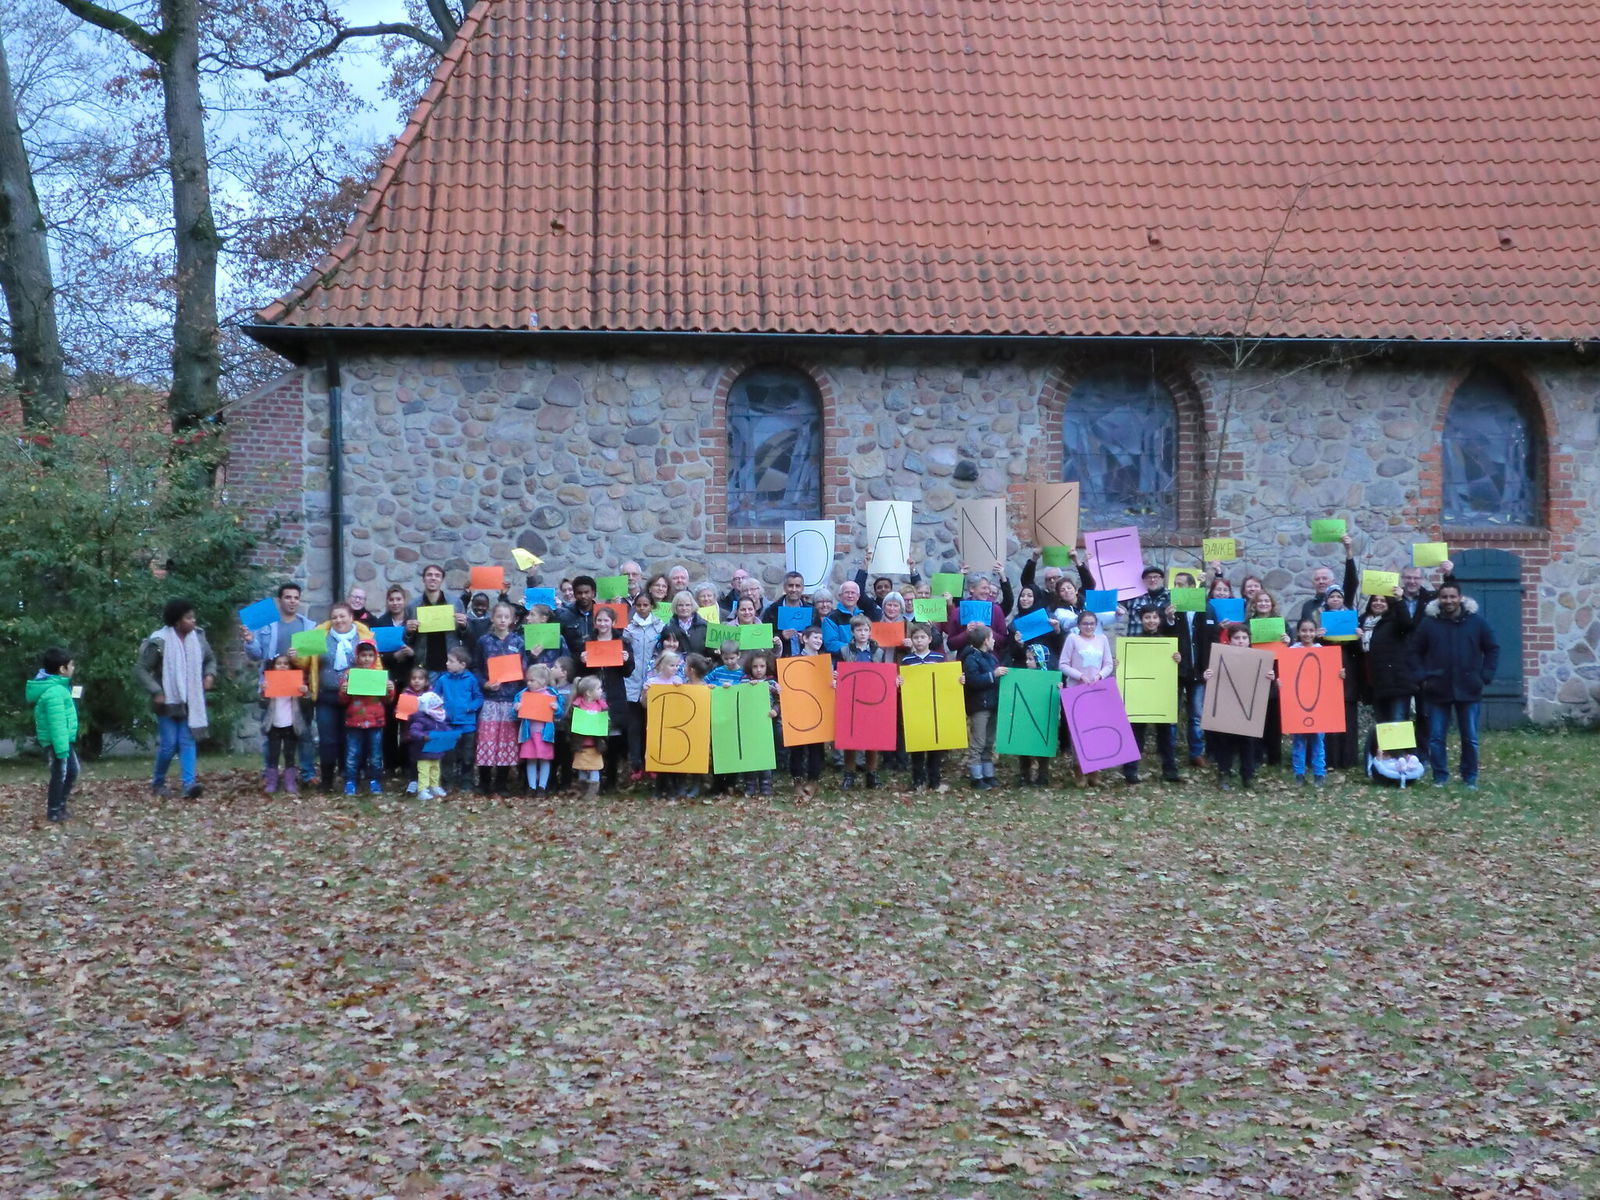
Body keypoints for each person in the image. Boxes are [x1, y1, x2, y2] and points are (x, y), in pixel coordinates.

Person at [1409, 583, 1500, 789]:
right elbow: (1414, 652)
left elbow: (1492, 648)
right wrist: (1422, 677)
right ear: (1439, 599)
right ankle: (1440, 777)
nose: (1448, 601)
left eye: (1452, 597)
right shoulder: (1429, 624)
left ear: (1460, 598)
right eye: (1444, 597)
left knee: (1470, 738)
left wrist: (1485, 676)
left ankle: (1470, 778)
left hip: (1469, 688)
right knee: (1436, 738)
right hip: (1436, 689)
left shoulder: (1476, 623)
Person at [135, 598, 217, 800]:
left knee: (187, 741)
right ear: (177, 622)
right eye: (189, 618)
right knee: (170, 744)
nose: (194, 621)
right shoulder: (159, 641)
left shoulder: (198, 638)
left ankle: (189, 785)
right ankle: (158, 782)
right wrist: (156, 691)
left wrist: (209, 675)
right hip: (167, 703)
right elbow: (141, 669)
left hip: (192, 701)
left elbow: (210, 660)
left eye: (193, 617)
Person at [241, 582, 317, 785]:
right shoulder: (267, 625)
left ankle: (307, 774)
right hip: (272, 688)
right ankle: (270, 773)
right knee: (270, 734)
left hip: (300, 688)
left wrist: (303, 654)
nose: (292, 601)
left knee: (304, 733)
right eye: (288, 597)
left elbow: (315, 658)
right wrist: (249, 640)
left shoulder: (309, 626)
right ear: (279, 600)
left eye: (296, 598)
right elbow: (256, 655)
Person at [303, 602, 374, 791]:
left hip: (354, 697)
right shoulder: (320, 636)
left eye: (342, 616)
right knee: (327, 739)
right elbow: (303, 661)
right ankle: (326, 780)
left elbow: (375, 664)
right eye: (334, 617)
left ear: (351, 617)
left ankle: (351, 777)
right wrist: (296, 654)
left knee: (352, 738)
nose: (338, 620)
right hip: (326, 696)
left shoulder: (363, 636)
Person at [1204, 624, 1273, 791]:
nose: (1241, 641)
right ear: (1229, 640)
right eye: (1237, 638)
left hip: (1248, 709)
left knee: (1248, 743)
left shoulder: (1258, 659)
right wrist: (1207, 676)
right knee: (1224, 743)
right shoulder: (1220, 656)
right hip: (1226, 707)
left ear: (1249, 640)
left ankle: (1247, 776)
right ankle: (1224, 773)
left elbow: (1263, 683)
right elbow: (1213, 676)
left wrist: (1269, 677)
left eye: (1244, 638)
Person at [1123, 606, 1184, 784]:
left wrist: (1177, 660)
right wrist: (1120, 662)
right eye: (1147, 617)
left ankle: (1170, 771)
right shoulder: (1133, 642)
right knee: (1136, 734)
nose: (1151, 621)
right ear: (1141, 620)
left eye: (1154, 617)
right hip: (1140, 693)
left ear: (1160, 620)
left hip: (1161, 693)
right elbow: (1128, 668)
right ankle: (1130, 771)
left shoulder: (1167, 642)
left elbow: (1174, 670)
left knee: (1165, 734)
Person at [474, 601, 527, 796]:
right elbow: (477, 668)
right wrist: (485, 683)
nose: (502, 620)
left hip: (510, 699)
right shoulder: (484, 641)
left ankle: (502, 783)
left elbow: (524, 669)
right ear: (492, 618)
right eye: (499, 616)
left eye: (506, 617)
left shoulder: (518, 642)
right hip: (490, 699)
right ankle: (485, 781)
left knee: (506, 741)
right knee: (487, 739)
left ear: (512, 620)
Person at [1286, 617, 1342, 786]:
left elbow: (1330, 677)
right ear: (1298, 632)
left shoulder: (1322, 651)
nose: (1307, 634)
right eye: (1304, 630)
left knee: (1318, 741)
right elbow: (1288, 676)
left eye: (1311, 630)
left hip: (1318, 704)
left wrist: (1339, 674)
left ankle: (1319, 773)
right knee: (1299, 742)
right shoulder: (1292, 651)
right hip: (1298, 703)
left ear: (1316, 632)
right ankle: (1299, 773)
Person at [29, 647, 79, 823]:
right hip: (58, 743)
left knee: (72, 771)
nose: (73, 668)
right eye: (71, 665)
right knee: (61, 774)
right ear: (62, 669)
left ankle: (61, 805)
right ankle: (54, 811)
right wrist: (61, 749)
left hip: (65, 741)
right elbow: (56, 724)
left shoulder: (59, 688)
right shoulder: (54, 693)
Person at [339, 639, 394, 794]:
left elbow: (387, 700)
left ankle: (375, 781)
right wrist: (344, 690)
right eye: (363, 655)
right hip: (354, 721)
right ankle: (350, 782)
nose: (367, 658)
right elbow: (343, 701)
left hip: (375, 721)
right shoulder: (349, 674)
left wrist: (390, 690)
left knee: (375, 755)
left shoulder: (379, 675)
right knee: (352, 754)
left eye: (370, 655)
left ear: (375, 657)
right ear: (358, 657)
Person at [900, 623, 947, 792]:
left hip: (934, 706)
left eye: (922, 637)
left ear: (929, 639)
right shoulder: (907, 660)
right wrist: (900, 682)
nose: (919, 641)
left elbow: (947, 680)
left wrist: (958, 680)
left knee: (935, 746)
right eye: (916, 638)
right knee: (917, 746)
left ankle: (934, 779)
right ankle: (917, 779)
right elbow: (903, 682)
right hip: (915, 708)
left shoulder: (939, 658)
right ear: (911, 641)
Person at [1359, 589, 1416, 725]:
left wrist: (1399, 600)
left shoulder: (1395, 621)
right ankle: (1386, 748)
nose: (1378, 603)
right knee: (1383, 726)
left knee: (1397, 724)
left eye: (1383, 600)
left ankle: (1400, 748)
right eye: (1375, 600)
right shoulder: (1361, 623)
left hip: (1397, 684)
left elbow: (1407, 625)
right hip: (1376, 684)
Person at [958, 623, 1004, 790]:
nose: (994, 641)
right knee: (978, 742)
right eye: (992, 638)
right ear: (985, 641)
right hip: (979, 706)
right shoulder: (971, 658)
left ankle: (988, 774)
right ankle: (976, 777)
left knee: (989, 741)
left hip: (992, 704)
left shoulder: (991, 657)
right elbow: (973, 681)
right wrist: (993, 675)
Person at [259, 651, 309, 795]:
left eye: (286, 664)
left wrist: (305, 693)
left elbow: (306, 705)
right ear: (273, 666)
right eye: (279, 664)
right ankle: (272, 782)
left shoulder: (296, 683)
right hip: (274, 724)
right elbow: (262, 704)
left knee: (290, 754)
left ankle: (290, 782)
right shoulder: (268, 683)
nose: (282, 666)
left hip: (291, 724)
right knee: (273, 754)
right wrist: (264, 693)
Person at [436, 645, 483, 793]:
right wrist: (440, 710)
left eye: (451, 661)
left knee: (467, 756)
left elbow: (479, 697)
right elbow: (435, 698)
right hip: (448, 724)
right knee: (448, 755)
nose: (447, 663)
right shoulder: (443, 679)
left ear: (462, 664)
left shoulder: (471, 679)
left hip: (467, 724)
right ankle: (448, 782)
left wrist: (471, 707)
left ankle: (467, 782)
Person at [515, 664, 564, 798]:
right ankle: (532, 786)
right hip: (528, 734)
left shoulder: (551, 695)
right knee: (530, 759)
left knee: (544, 759)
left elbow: (560, 714)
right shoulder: (523, 695)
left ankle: (542, 786)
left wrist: (556, 708)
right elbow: (514, 715)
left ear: (542, 681)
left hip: (544, 734)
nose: (529, 683)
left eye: (532, 680)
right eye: (528, 680)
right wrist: (516, 708)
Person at [742, 649, 780, 797]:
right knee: (750, 754)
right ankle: (750, 784)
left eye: (762, 667)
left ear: (767, 666)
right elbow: (737, 698)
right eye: (755, 667)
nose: (758, 670)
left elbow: (780, 701)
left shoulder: (772, 683)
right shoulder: (744, 681)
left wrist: (775, 710)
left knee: (766, 754)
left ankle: (766, 784)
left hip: (766, 724)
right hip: (750, 725)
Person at [1297, 533, 1357, 625]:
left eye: (1324, 578)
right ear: (1313, 584)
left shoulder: (1343, 600)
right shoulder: (1308, 606)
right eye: (1317, 579)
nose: (1321, 581)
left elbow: (1352, 581)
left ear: (1333, 582)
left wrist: (1348, 550)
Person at [407, 691, 454, 799]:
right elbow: (413, 731)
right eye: (437, 707)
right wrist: (423, 737)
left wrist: (453, 735)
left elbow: (446, 728)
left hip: (436, 751)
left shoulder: (440, 720)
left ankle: (434, 786)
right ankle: (422, 789)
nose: (440, 710)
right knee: (424, 771)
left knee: (435, 770)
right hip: (423, 751)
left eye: (441, 707)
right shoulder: (420, 719)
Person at [569, 676, 608, 798]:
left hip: (595, 746)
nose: (601, 691)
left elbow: (606, 724)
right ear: (589, 692)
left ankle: (592, 793)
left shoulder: (602, 706)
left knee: (595, 768)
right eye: (598, 688)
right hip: (580, 745)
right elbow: (569, 722)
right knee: (582, 768)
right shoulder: (576, 706)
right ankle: (583, 790)